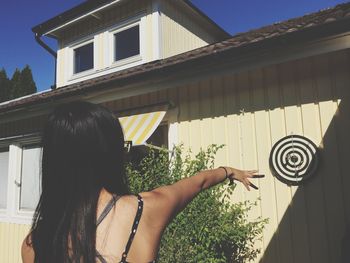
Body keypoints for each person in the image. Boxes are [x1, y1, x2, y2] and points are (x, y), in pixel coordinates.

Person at [21, 101, 262, 263]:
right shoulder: (146, 209)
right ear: (111, 153)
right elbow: (199, 182)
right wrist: (230, 171)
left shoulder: (35, 242)